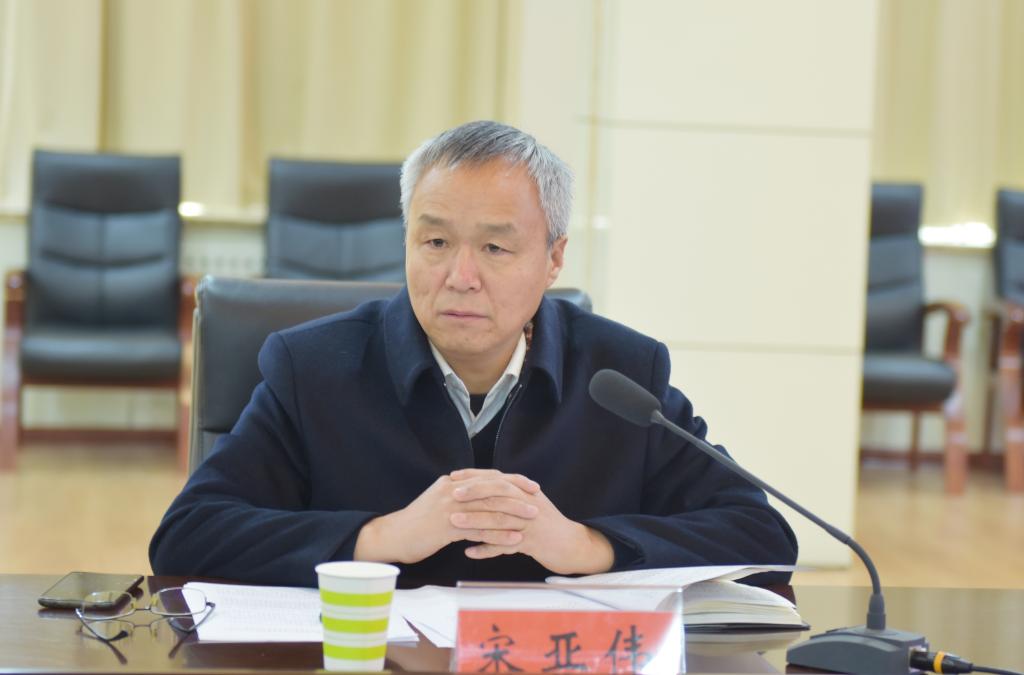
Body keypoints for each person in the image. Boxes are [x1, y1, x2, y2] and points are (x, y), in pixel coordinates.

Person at [150, 120, 797, 588]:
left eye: (494, 248)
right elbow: (189, 534)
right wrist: (382, 537)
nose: (460, 277)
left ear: (554, 258)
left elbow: (760, 534)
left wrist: (587, 546)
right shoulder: (313, 369)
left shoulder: (620, 375)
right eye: (435, 242)